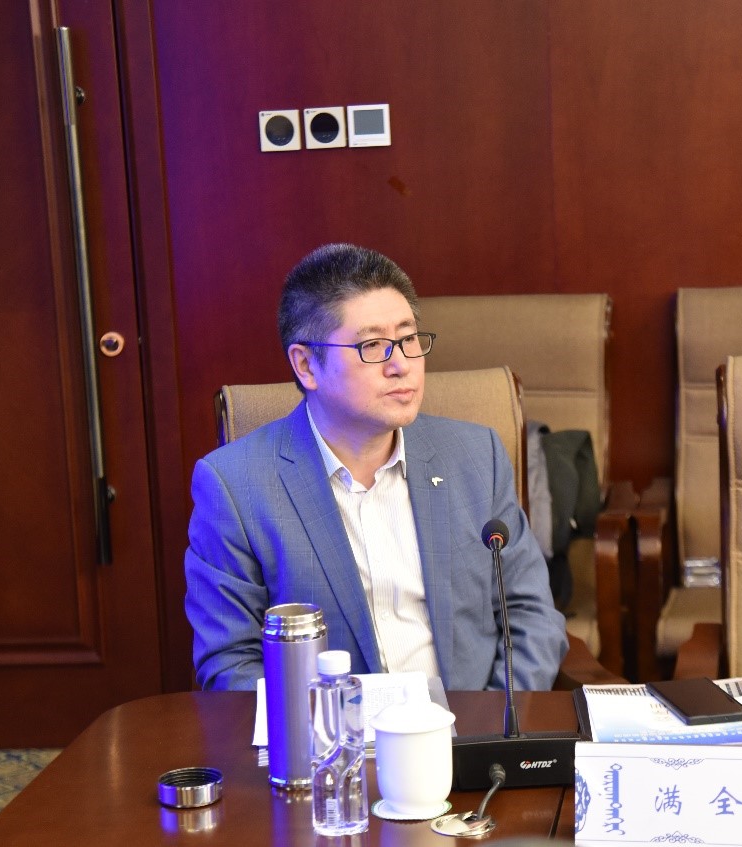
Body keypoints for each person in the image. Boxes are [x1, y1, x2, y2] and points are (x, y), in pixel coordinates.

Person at [184, 243, 568, 691]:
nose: (401, 365)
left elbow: (531, 616)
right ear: (306, 365)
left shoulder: (476, 455)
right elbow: (230, 663)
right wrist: (330, 728)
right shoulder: (235, 486)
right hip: (330, 733)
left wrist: (489, 720)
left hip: (470, 724)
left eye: (408, 339)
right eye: (372, 346)